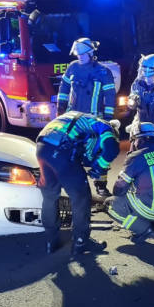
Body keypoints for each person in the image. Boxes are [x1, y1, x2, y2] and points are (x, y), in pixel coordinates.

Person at [36, 111, 121, 255]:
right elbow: (111, 148)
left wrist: (93, 162)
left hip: (42, 149)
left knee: (50, 198)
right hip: (62, 151)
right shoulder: (104, 125)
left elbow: (84, 154)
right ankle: (81, 242)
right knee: (81, 198)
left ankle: (51, 242)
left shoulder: (76, 119)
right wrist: (99, 167)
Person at [57, 37, 117, 197]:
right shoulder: (72, 68)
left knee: (99, 152)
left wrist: (108, 119)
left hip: (95, 121)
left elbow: (110, 97)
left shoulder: (103, 71)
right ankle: (73, 186)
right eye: (78, 54)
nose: (80, 57)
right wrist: (60, 108)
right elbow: (63, 88)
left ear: (91, 53)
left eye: (83, 54)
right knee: (71, 152)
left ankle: (101, 185)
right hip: (73, 120)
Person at [105, 122, 154, 242]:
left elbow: (118, 189)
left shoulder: (137, 156)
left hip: (152, 209)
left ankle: (145, 229)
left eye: (132, 140)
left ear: (138, 140)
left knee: (110, 205)